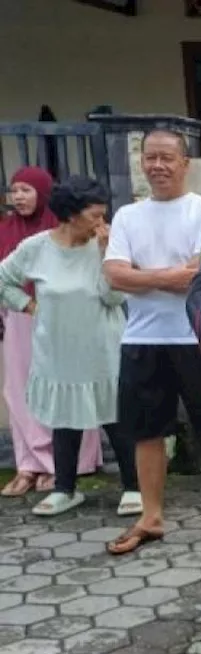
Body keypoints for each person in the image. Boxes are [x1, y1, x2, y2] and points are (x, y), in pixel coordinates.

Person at [102, 128, 201, 555]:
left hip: (198, 339)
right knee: (145, 431)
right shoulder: (128, 217)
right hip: (142, 339)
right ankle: (151, 517)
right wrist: (171, 277)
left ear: (185, 164)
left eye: (167, 157)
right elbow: (115, 274)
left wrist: (143, 277)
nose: (158, 165)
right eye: (150, 157)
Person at [0, 176, 137, 515]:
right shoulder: (37, 247)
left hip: (104, 347)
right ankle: (65, 488)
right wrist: (29, 306)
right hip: (58, 349)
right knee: (65, 419)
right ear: (71, 215)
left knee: (116, 418)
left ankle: (133, 486)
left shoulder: (108, 245)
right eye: (94, 215)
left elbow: (114, 297)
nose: (100, 223)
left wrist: (107, 256)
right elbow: (4, 279)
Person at [0, 167, 102, 496]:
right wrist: (27, 306)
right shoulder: (9, 231)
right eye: (14, 190)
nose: (18, 197)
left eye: (27, 190)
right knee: (21, 389)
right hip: (22, 318)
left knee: (72, 388)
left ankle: (64, 467)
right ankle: (29, 463)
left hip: (69, 322)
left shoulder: (68, 234)